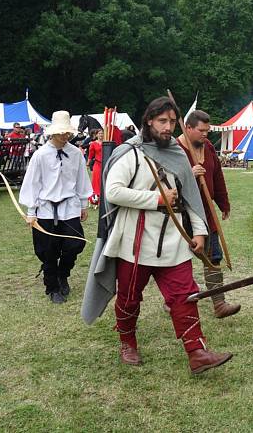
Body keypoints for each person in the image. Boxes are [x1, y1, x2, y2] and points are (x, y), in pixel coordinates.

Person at [83, 97, 232, 374]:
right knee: (129, 297)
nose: (168, 127)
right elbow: (113, 191)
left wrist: (199, 231)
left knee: (185, 295)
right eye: (162, 121)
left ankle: (197, 352)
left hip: (174, 239)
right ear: (149, 121)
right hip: (134, 241)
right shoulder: (132, 153)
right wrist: (156, 199)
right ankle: (128, 343)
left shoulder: (177, 153)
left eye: (172, 122)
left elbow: (190, 196)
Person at [19, 111, 93, 304]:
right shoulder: (40, 155)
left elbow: (81, 179)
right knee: (48, 250)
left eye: (67, 132)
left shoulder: (76, 153)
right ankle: (52, 286)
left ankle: (63, 274)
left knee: (75, 243)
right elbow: (33, 184)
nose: (65, 136)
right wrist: (31, 212)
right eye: (61, 132)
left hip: (69, 206)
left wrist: (83, 204)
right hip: (45, 209)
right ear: (53, 132)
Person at [177, 109, 240, 318]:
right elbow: (163, 181)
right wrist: (189, 174)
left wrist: (224, 203)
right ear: (188, 128)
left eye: (207, 130)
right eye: (201, 130)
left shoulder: (209, 147)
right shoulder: (174, 150)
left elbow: (218, 176)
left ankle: (219, 303)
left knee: (213, 256)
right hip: (180, 214)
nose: (205, 134)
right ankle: (174, 301)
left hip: (207, 213)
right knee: (177, 260)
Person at [87, 128, 104, 204]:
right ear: (96, 135)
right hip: (97, 164)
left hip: (105, 164)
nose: (101, 135)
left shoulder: (106, 143)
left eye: (102, 133)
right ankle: (96, 197)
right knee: (96, 180)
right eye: (99, 133)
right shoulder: (93, 144)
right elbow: (90, 155)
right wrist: (88, 163)